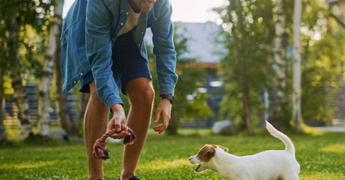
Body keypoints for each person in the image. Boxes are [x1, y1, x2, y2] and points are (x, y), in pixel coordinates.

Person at [60, 0, 178, 179]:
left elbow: (165, 48)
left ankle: (128, 175)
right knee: (100, 96)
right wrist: (116, 107)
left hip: (126, 34)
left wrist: (167, 97)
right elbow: (100, 63)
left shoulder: (161, 3)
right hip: (88, 29)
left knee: (146, 94)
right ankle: (96, 176)